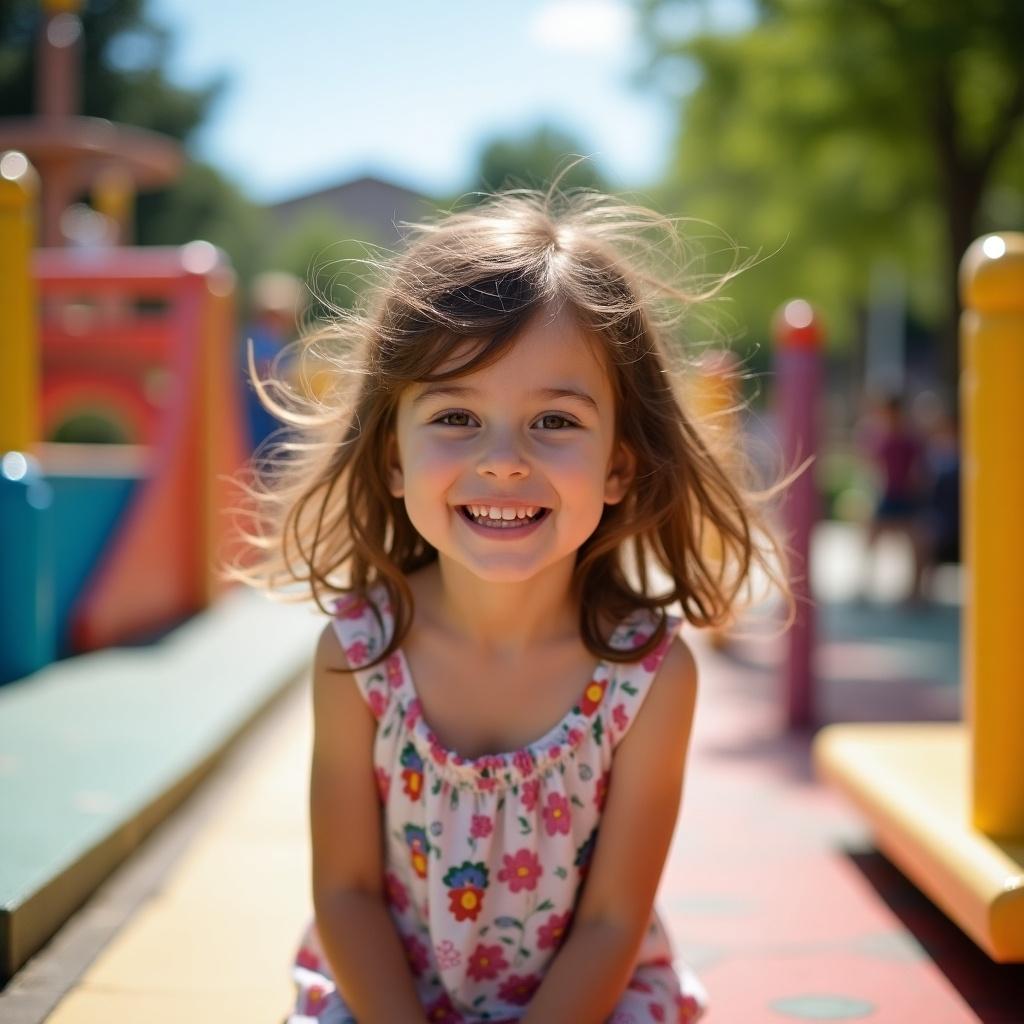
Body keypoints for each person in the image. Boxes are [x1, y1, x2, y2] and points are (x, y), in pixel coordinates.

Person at [236, 186, 791, 1023]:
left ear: (619, 467)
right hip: (387, 998)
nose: (503, 460)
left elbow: (610, 923)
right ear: (393, 458)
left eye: (555, 422)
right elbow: (347, 894)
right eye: (457, 414)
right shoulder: (358, 652)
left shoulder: (649, 677)